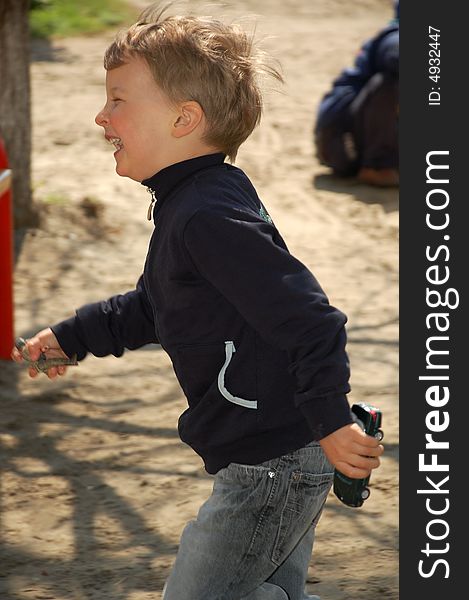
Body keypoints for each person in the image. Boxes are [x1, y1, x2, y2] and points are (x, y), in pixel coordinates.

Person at [11, 5, 383, 599]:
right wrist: (74, 337)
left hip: (275, 461)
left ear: (184, 118)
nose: (100, 115)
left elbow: (310, 318)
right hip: (273, 455)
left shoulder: (207, 214)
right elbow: (155, 304)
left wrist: (331, 419)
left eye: (118, 100)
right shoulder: (195, 200)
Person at [314, 2, 399, 187]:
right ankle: (377, 166)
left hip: (341, 140)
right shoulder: (394, 38)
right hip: (343, 144)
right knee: (390, 84)